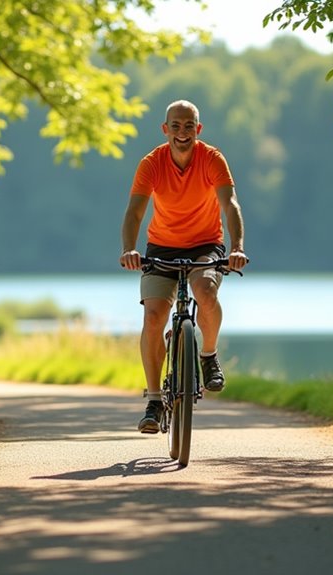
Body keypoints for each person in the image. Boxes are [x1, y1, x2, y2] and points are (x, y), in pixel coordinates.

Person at [119, 99, 248, 434]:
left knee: (205, 291)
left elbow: (229, 203)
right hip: (161, 246)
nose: (182, 132)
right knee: (153, 314)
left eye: (188, 125)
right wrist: (129, 249)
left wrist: (237, 248)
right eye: (175, 126)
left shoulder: (212, 158)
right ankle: (153, 399)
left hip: (206, 244)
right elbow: (135, 211)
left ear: (198, 129)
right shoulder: (152, 163)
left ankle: (207, 355)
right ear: (165, 129)